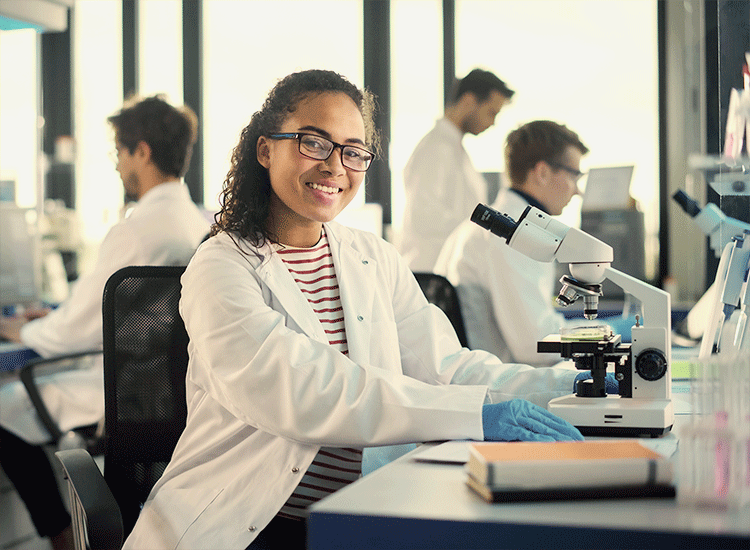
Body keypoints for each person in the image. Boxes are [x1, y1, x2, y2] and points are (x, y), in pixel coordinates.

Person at [123, 69, 585, 550]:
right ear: (265, 150)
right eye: (313, 143)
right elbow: (304, 390)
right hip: (248, 523)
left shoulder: (373, 256)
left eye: (352, 151)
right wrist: (477, 413)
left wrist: (565, 385)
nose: (334, 166)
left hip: (363, 509)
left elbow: (447, 366)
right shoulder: (219, 266)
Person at [0, 95, 210, 550]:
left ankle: (63, 541)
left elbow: (72, 332)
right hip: (165, 390)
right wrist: (57, 318)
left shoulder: (137, 227)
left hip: (122, 392)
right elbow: (117, 312)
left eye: (119, 152)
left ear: (142, 151)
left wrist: (23, 330)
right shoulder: (194, 221)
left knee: (5, 407)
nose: (117, 166)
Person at [435, 120, 632, 366]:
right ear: (542, 173)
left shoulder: (473, 229)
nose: (577, 191)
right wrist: (613, 330)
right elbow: (536, 344)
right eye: (575, 175)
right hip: (503, 383)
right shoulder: (517, 236)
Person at [398, 68, 514, 272]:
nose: (493, 123)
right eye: (491, 112)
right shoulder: (435, 149)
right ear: (469, 101)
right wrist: (485, 232)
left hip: (446, 270)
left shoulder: (454, 150)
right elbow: (425, 216)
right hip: (430, 273)